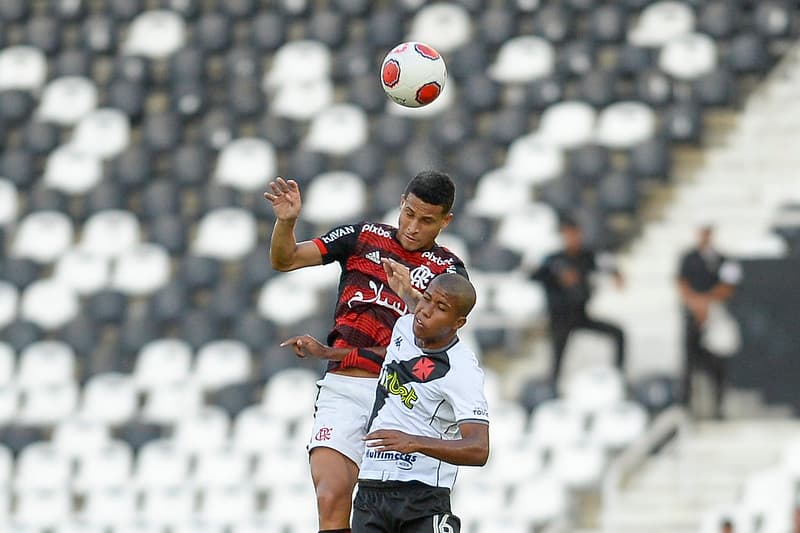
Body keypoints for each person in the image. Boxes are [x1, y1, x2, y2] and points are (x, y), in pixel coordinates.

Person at [264, 170, 467, 533]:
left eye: (426, 221)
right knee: (330, 497)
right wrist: (287, 222)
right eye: (408, 213)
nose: (412, 227)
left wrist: (411, 296)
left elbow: (441, 340)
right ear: (401, 203)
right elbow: (286, 259)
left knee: (392, 516)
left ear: (445, 221)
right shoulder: (363, 237)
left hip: (401, 398)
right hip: (344, 388)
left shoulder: (448, 271)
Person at [287, 273, 489, 533]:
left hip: (422, 493)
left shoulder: (462, 370)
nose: (425, 311)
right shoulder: (404, 327)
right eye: (426, 299)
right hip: (371, 491)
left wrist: (414, 442)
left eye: (440, 307)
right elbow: (389, 353)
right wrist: (328, 353)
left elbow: (479, 448)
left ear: (458, 323)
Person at [532, 216, 625, 386]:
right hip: (559, 318)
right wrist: (558, 275)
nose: (573, 238)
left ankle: (618, 377)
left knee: (618, 333)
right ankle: (553, 385)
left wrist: (616, 273)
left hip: (580, 315)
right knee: (557, 358)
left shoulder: (586, 256)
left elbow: (605, 264)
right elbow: (534, 275)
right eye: (569, 234)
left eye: (575, 234)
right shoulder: (553, 259)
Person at [677, 224, 741, 419]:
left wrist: (708, 302)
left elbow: (729, 285)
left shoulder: (723, 259)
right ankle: (687, 406)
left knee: (718, 363)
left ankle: (718, 406)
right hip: (694, 316)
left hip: (715, 317)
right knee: (690, 361)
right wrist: (696, 304)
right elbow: (681, 282)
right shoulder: (688, 258)